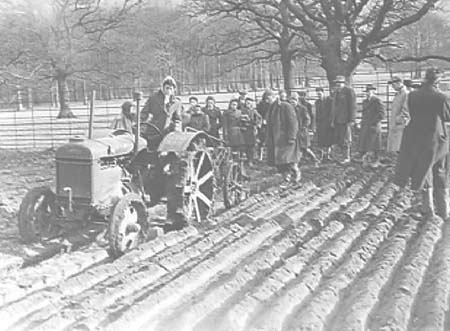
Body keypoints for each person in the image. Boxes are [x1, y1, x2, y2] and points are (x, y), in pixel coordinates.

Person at [394, 67, 450, 219]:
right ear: (438, 81)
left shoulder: (412, 95)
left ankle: (428, 210)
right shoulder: (441, 97)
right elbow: (447, 116)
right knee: (441, 172)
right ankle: (444, 211)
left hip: (417, 138)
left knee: (423, 172)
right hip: (437, 140)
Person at [266, 89, 301, 184]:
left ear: (274, 97)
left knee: (289, 160)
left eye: (268, 98)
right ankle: (286, 179)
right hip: (276, 139)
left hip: (286, 138)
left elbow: (293, 123)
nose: (267, 100)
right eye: (265, 98)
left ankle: (296, 173)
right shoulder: (270, 108)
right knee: (280, 162)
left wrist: (292, 137)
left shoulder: (285, 106)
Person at [330, 75, 357, 164]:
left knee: (346, 138)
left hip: (345, 120)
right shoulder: (336, 92)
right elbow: (334, 107)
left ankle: (347, 157)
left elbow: (352, 106)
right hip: (338, 120)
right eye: (337, 83)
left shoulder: (349, 91)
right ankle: (341, 156)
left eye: (340, 83)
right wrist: (333, 120)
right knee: (340, 138)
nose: (338, 84)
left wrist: (351, 119)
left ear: (344, 83)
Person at [358, 84, 386, 168]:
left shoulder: (377, 101)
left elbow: (381, 114)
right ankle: (367, 160)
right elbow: (364, 114)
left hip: (374, 126)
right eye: (366, 91)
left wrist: (373, 122)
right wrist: (362, 122)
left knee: (375, 144)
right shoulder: (365, 101)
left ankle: (375, 161)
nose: (368, 93)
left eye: (369, 91)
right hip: (365, 125)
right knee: (366, 144)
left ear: (373, 91)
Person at [291, 92, 319, 166]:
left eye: (294, 100)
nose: (293, 102)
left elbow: (307, 119)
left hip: (302, 132)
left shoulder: (303, 109)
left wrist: (303, 127)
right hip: (294, 132)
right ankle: (295, 164)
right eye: (291, 100)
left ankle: (315, 159)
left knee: (305, 148)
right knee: (296, 149)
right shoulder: (290, 109)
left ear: (297, 100)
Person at [387, 76, 410, 154]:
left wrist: (398, 120)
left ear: (399, 83)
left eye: (394, 84)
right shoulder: (398, 94)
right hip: (395, 126)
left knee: (400, 149)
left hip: (401, 126)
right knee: (395, 149)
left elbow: (406, 111)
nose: (392, 87)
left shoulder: (406, 94)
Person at [241, 97, 262, 166]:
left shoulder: (254, 111)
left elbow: (259, 118)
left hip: (251, 129)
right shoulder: (242, 110)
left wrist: (257, 124)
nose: (248, 104)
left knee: (252, 145)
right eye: (247, 103)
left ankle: (251, 160)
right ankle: (247, 159)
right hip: (244, 130)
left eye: (249, 103)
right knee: (245, 145)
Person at [315, 87, 334, 162]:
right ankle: (322, 155)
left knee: (329, 139)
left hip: (328, 123)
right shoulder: (317, 102)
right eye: (317, 94)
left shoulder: (329, 100)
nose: (319, 95)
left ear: (323, 92)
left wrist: (331, 121)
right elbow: (317, 113)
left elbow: (332, 112)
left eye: (320, 94)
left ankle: (328, 155)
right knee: (321, 140)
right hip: (320, 123)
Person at [256, 90, 274, 160]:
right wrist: (261, 120)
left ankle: (270, 156)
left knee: (271, 141)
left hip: (271, 124)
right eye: (267, 97)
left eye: (270, 97)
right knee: (261, 140)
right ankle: (260, 156)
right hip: (263, 124)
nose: (268, 99)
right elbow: (258, 113)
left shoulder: (273, 105)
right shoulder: (261, 105)